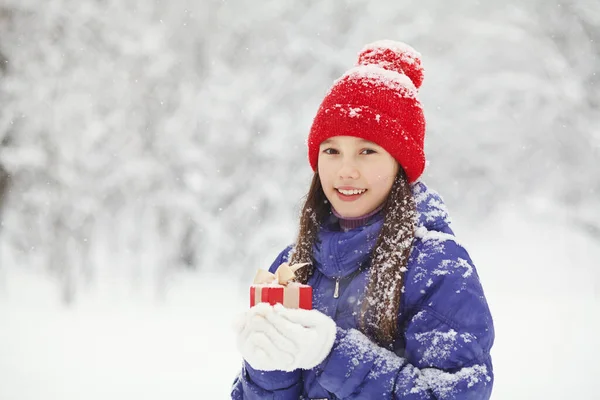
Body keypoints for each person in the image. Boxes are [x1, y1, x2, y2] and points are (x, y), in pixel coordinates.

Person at [231, 40, 494, 399]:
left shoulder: (437, 267)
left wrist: (331, 353)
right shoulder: (294, 264)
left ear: (400, 164)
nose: (346, 170)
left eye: (367, 151)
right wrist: (268, 368)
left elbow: (453, 392)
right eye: (332, 151)